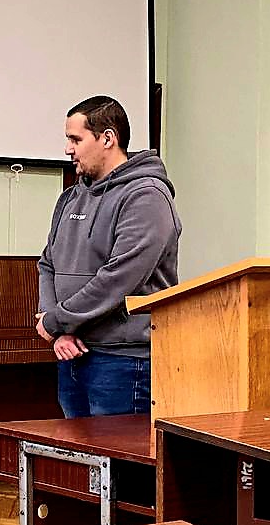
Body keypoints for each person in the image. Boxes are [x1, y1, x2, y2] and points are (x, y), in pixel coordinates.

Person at [36, 95, 181, 418]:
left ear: (107, 138)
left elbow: (119, 278)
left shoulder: (146, 196)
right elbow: (48, 264)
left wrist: (57, 320)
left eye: (75, 139)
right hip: (71, 352)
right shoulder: (70, 198)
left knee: (120, 453)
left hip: (125, 363)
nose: (67, 149)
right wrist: (57, 327)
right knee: (76, 451)